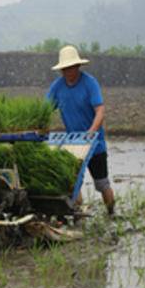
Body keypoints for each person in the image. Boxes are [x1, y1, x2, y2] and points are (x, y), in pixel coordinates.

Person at [46, 45, 115, 215]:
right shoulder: (57, 87)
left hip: (95, 143)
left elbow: (100, 110)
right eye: (65, 69)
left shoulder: (89, 83)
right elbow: (45, 110)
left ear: (78, 66)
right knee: (73, 183)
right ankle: (78, 216)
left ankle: (112, 212)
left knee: (102, 184)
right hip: (74, 144)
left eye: (72, 67)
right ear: (61, 70)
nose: (69, 71)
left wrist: (92, 131)